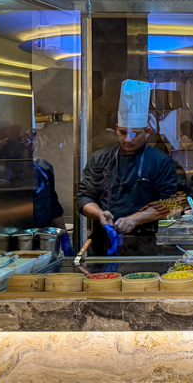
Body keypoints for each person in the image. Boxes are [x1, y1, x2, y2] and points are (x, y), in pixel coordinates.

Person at [76, 80, 178, 255]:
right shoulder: (100, 159)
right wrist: (100, 214)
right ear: (116, 128)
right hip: (102, 245)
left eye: (135, 134)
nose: (128, 139)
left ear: (147, 132)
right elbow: (84, 197)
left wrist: (135, 219)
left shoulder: (160, 161)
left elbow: (172, 202)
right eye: (122, 133)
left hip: (143, 245)